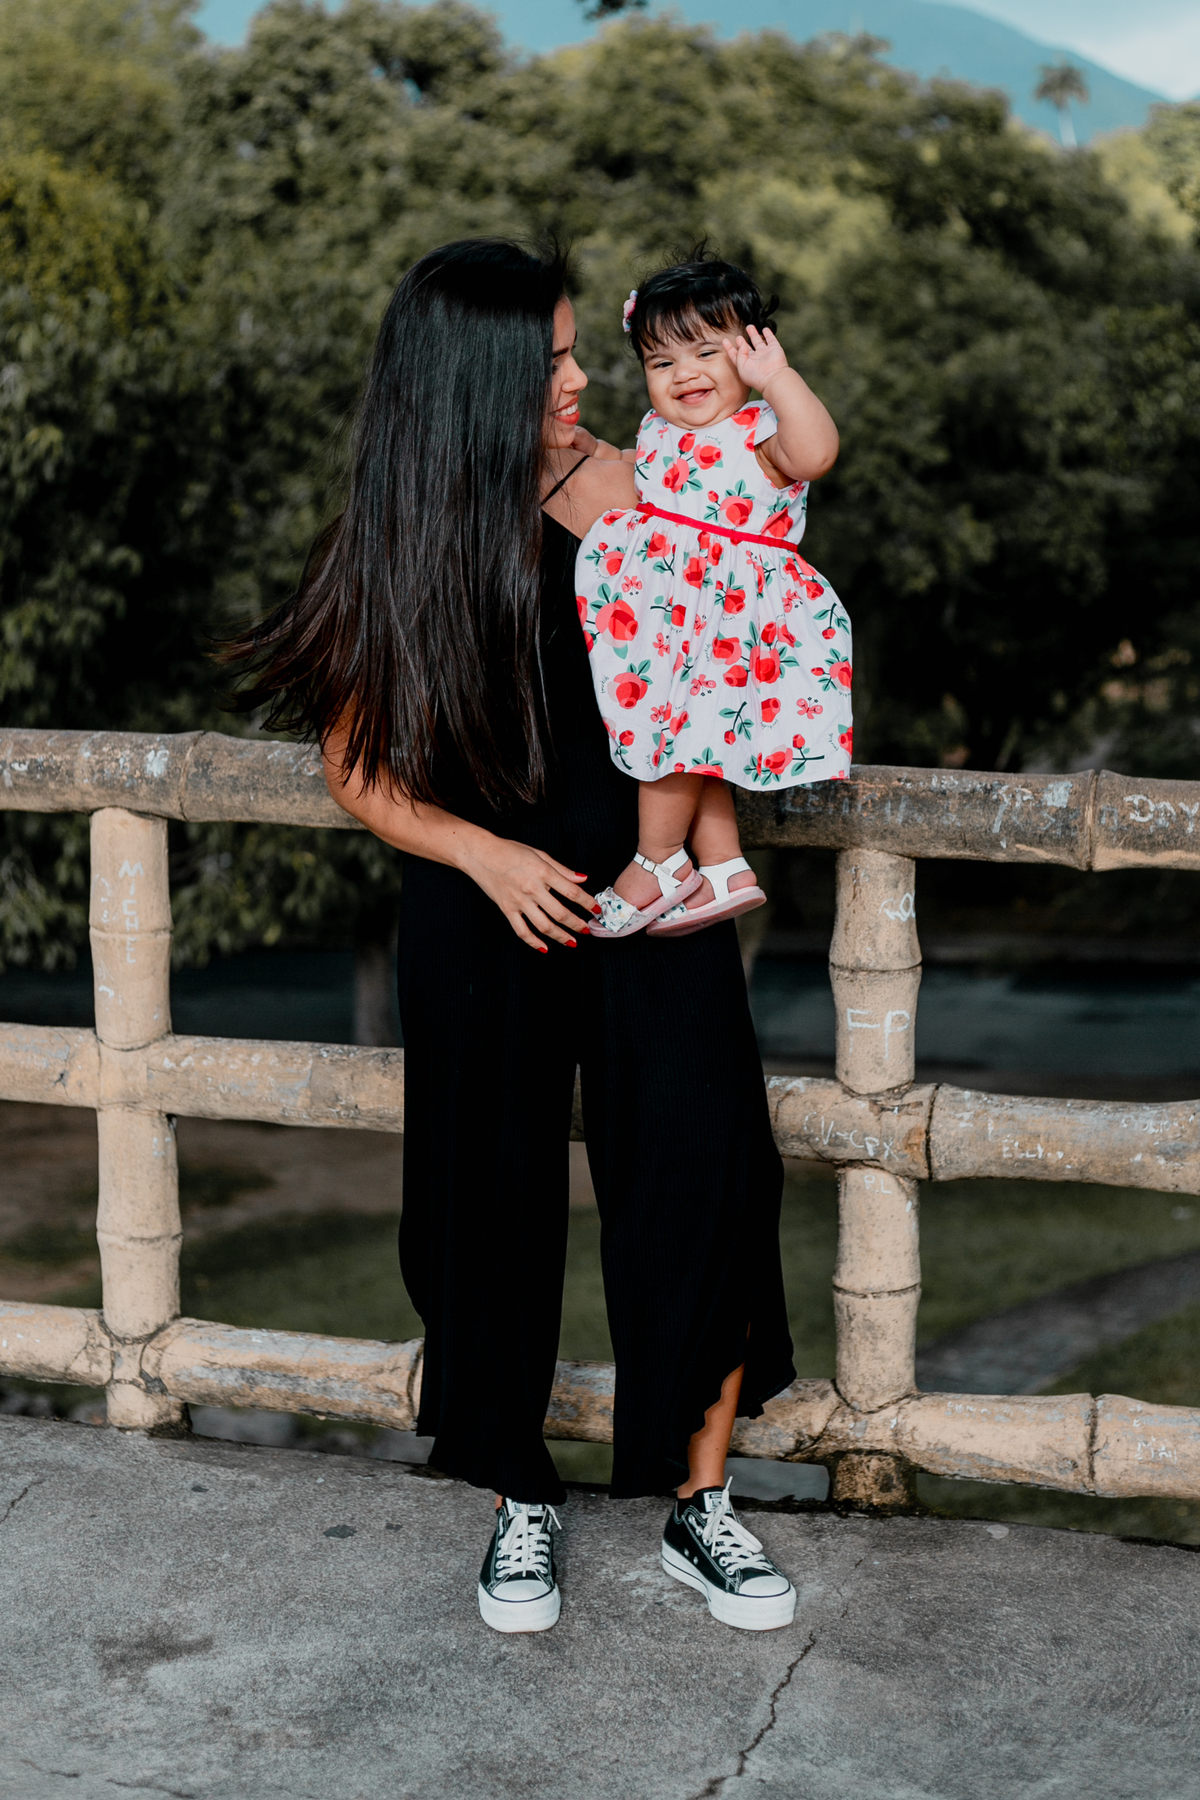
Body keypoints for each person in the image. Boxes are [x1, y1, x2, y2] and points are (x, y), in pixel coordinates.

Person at [225, 238, 798, 1636]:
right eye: (550, 358)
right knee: (485, 1207)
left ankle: (697, 1504)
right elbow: (358, 768)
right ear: (475, 378)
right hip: (489, 910)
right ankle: (516, 1502)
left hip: (649, 899)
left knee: (709, 1178)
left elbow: (742, 612)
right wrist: (484, 856)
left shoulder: (645, 472)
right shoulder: (406, 523)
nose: (583, 376)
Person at [576, 257, 852, 941]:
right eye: (660, 361)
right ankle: (725, 867)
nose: (684, 374)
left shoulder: (759, 433)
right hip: (671, 624)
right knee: (700, 742)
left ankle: (660, 861)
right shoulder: (660, 431)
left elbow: (816, 454)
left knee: (672, 739)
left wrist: (779, 380)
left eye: (707, 351)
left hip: (726, 623)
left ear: (751, 351)